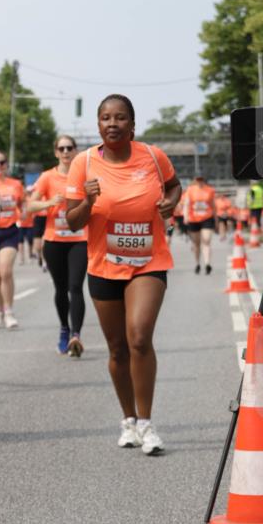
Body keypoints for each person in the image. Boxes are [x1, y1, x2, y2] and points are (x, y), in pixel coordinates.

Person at [66, 95, 181, 455]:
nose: (112, 124)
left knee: (139, 337)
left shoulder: (152, 156)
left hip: (149, 261)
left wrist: (171, 201)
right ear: (98, 125)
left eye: (119, 118)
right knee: (117, 349)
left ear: (132, 125)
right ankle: (128, 420)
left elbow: (175, 185)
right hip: (104, 265)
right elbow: (73, 221)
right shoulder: (83, 164)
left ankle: (146, 424)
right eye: (105, 118)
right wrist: (87, 201)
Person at [28, 135, 88, 356]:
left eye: (69, 148)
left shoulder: (84, 176)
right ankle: (64, 328)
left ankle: (76, 335)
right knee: (61, 289)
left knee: (76, 286)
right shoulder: (47, 178)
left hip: (80, 239)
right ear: (56, 152)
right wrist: (49, 203)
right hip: (54, 241)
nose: (65, 152)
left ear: (75, 150)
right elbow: (30, 206)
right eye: (61, 148)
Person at [0, 152, 24, 330]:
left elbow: (23, 205)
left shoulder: (15, 185)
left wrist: (24, 214)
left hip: (9, 232)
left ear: (6, 165)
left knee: (6, 272)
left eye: (1, 162)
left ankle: (9, 312)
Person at [184, 175, 216, 274]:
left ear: (204, 180)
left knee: (206, 240)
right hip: (193, 219)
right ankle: (197, 263)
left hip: (207, 217)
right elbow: (186, 204)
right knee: (196, 244)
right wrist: (185, 216)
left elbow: (213, 204)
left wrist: (216, 217)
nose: (199, 181)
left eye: (201, 179)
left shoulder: (210, 190)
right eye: (198, 180)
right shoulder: (190, 190)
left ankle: (207, 264)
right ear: (195, 180)